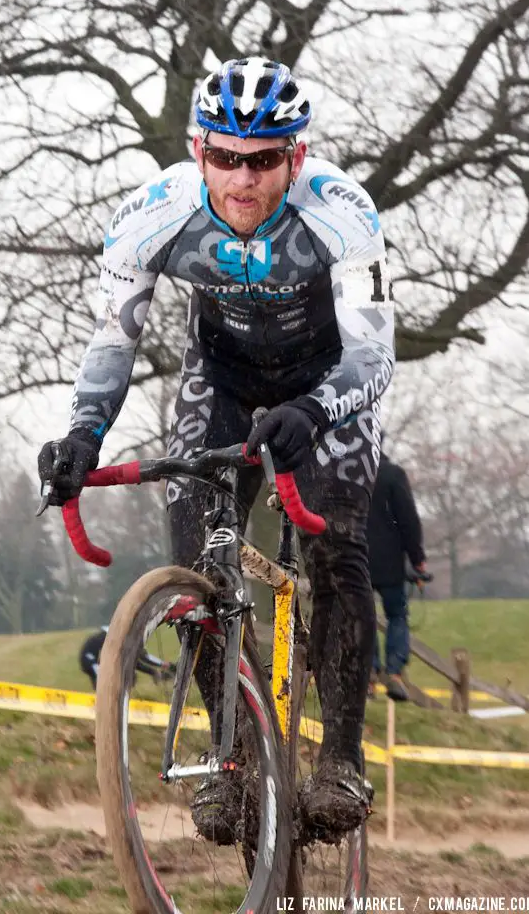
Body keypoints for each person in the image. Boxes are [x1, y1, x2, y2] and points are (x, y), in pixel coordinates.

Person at [38, 56, 395, 844]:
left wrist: (317, 407)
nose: (243, 179)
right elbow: (112, 339)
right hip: (221, 378)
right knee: (197, 556)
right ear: (199, 148)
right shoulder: (155, 211)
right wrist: (81, 435)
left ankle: (339, 757)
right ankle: (229, 754)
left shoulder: (340, 210)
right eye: (225, 157)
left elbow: (373, 355)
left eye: (264, 160)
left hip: (324, 379)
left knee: (337, 547)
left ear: (294, 157)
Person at [367, 444, 428, 702]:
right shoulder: (393, 475)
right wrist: (418, 560)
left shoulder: (352, 474)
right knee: (397, 615)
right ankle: (394, 673)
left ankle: (368, 674)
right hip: (391, 563)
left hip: (356, 559)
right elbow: (409, 521)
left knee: (363, 616)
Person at [79, 626, 176, 689]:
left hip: (89, 658)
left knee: (106, 685)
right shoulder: (121, 638)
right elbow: (140, 659)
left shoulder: (117, 635)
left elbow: (135, 660)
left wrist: (156, 669)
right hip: (91, 661)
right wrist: (159, 667)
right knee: (107, 684)